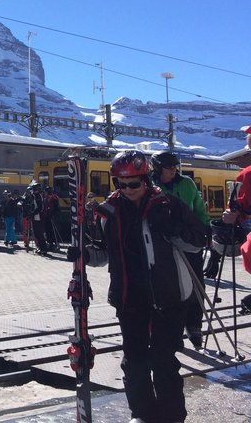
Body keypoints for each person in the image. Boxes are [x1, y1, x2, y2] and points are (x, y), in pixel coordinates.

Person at [72, 150, 205, 423]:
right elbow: (102, 254)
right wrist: (82, 253)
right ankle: (142, 414)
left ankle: (171, 417)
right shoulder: (108, 210)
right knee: (134, 362)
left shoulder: (167, 204)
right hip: (128, 296)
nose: (128, 190)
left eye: (134, 183)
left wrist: (172, 229)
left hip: (168, 297)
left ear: (145, 180)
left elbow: (198, 240)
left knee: (163, 361)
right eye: (121, 184)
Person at [151, 150, 210, 349]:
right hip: (163, 243)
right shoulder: (150, 187)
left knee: (195, 282)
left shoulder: (186, 183)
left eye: (175, 167)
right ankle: (174, 330)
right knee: (172, 287)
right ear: (158, 168)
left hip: (188, 238)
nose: (173, 171)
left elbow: (199, 207)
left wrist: (205, 228)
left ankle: (194, 325)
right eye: (169, 168)